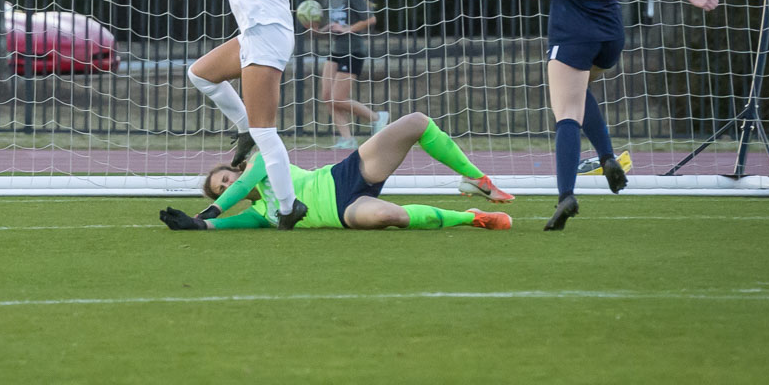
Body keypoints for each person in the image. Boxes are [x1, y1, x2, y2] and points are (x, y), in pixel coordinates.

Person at [122, 0, 383, 229]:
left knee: (266, 132)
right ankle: (244, 126)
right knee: (200, 73)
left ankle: (289, 206)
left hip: (264, 36)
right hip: (260, 35)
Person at [521, 0, 720, 231]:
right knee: (578, 93)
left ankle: (566, 194)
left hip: (572, 35)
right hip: (611, 35)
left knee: (566, 113)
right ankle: (608, 157)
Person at [158, 111, 514, 231]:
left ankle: (476, 179)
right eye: (221, 189)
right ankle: (472, 217)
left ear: (233, 172)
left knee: (416, 123)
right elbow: (228, 224)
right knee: (392, 216)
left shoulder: (262, 163)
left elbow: (245, 183)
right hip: (345, 211)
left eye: (224, 178)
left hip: (342, 175)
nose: (227, 185)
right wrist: (201, 224)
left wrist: (211, 208)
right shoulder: (262, 214)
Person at [302, 0, 389, 149]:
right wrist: (314, 29)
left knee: (338, 98)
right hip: (336, 50)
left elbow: (371, 19)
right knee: (327, 96)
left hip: (353, 51)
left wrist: (347, 28)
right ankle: (347, 139)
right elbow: (332, 28)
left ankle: (376, 118)